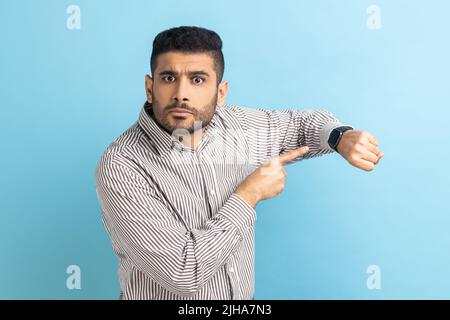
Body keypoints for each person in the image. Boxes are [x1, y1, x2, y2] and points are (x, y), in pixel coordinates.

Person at [95, 26, 384, 300]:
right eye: (169, 78)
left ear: (220, 93)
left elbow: (302, 124)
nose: (181, 93)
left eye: (197, 79)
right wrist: (249, 194)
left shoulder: (239, 127)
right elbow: (183, 272)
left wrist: (340, 137)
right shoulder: (122, 165)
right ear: (150, 87)